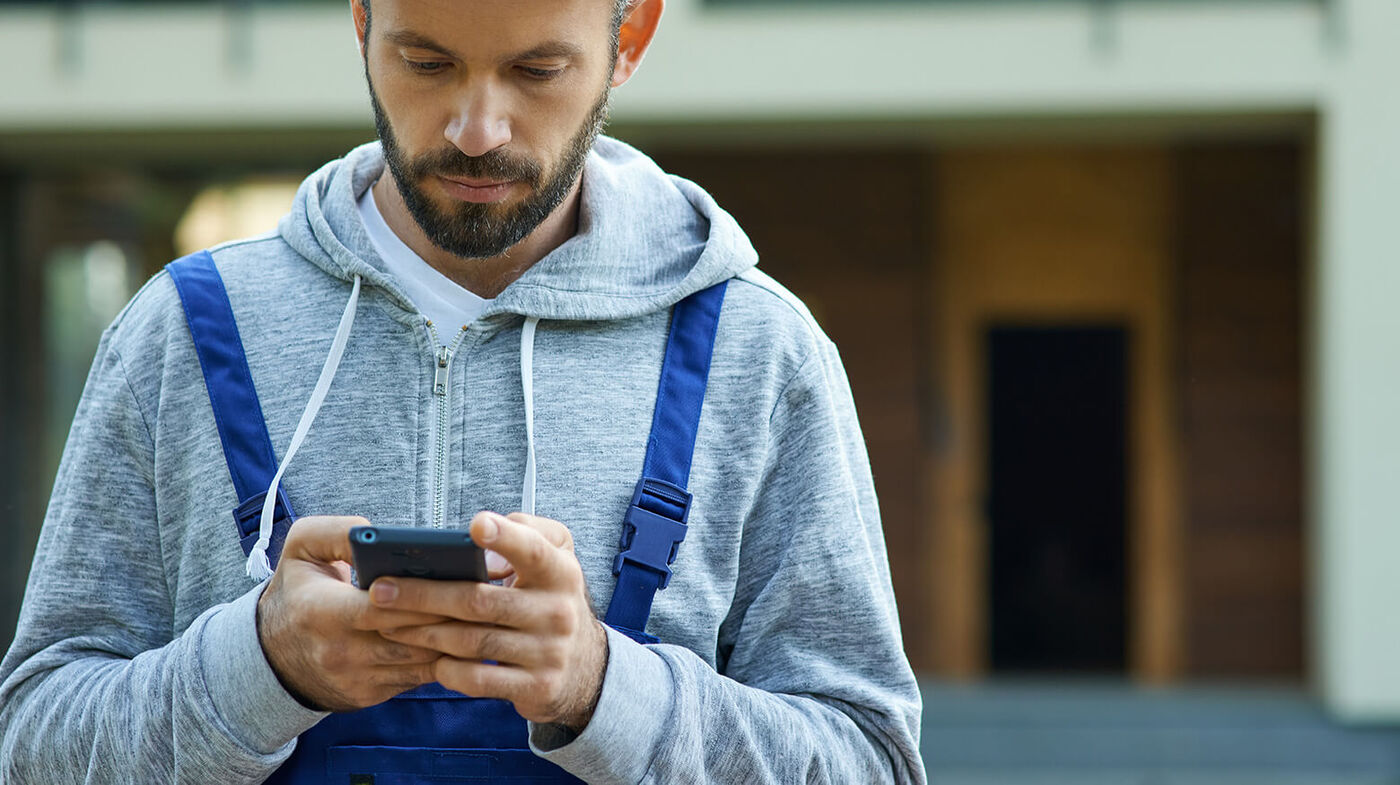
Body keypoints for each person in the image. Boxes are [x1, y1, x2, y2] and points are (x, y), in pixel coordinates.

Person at [0, 0, 926, 782]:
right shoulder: (181, 333)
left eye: (537, 70)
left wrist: (604, 687)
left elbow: (871, 758)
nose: (476, 130)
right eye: (426, 62)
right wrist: (259, 665)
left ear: (629, 40)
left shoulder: (760, 352)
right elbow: (32, 743)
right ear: (361, 22)